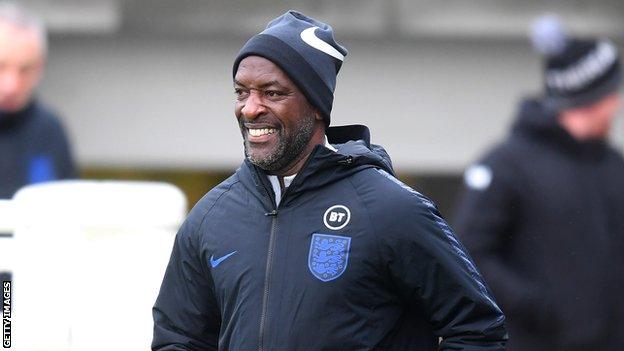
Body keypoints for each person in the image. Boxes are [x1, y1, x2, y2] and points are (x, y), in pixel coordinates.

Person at [153, 10, 507, 350]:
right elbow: (179, 340)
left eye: (272, 93)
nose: (249, 108)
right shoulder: (210, 217)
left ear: (317, 105)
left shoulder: (392, 210)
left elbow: (477, 331)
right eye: (242, 92)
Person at [453, 15, 624, 351]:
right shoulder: (507, 165)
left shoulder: (611, 165)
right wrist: (536, 305)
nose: (618, 104)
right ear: (595, 97)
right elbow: (469, 252)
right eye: (614, 92)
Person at [0, 2, 76, 199]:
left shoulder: (50, 130)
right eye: (1, 66)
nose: (11, 85)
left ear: (40, 67)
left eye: (25, 69)